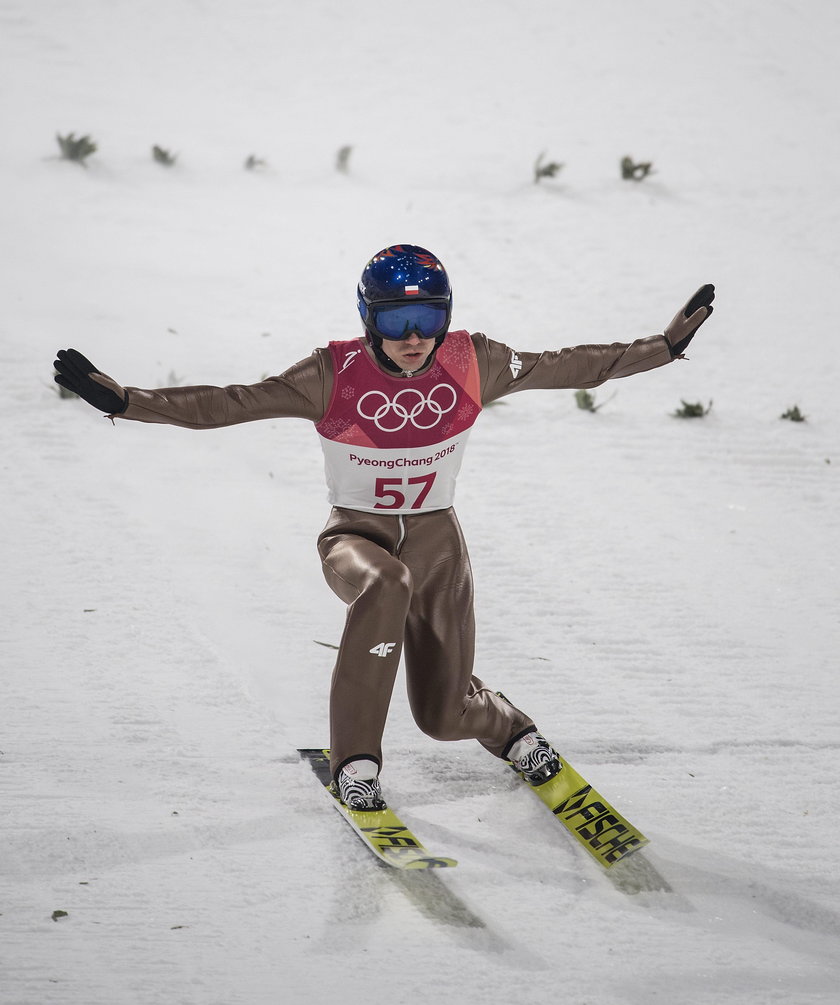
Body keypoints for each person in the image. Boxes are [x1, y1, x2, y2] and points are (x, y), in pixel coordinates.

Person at [54, 244, 714, 812]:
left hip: (439, 549)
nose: (412, 336)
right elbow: (227, 404)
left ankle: (509, 727)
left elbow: (572, 364)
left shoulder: (473, 363)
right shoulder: (332, 374)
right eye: (396, 319)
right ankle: (357, 765)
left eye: (427, 317)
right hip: (357, 540)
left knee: (443, 715)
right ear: (369, 318)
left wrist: (665, 347)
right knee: (386, 585)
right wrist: (127, 401)